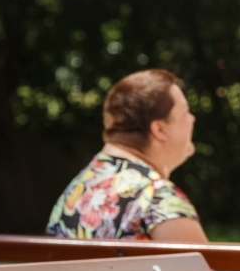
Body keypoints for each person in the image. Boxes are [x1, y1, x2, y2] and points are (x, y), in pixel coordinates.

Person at [46, 68, 206, 243]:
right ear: (159, 130)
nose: (192, 119)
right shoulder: (159, 200)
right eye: (185, 112)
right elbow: (207, 270)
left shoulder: (75, 192)